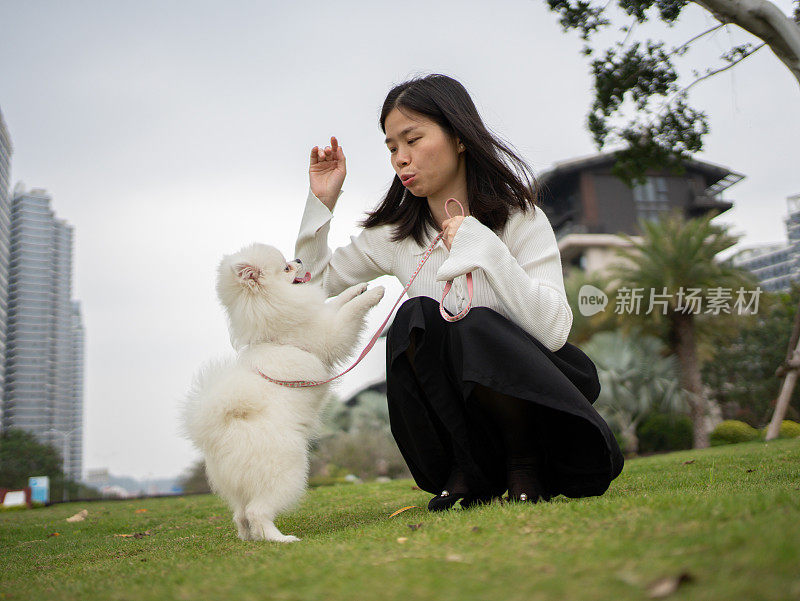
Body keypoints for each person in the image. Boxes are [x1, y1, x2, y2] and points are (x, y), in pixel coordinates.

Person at [294, 73, 624, 511]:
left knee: (477, 324)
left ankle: (525, 463)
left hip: (538, 402)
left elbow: (554, 329)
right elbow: (309, 288)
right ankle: (468, 469)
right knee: (415, 317)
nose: (401, 159)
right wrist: (321, 204)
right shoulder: (395, 236)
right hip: (462, 423)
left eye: (412, 140)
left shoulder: (519, 220)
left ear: (459, 137)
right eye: (392, 147)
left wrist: (483, 248)